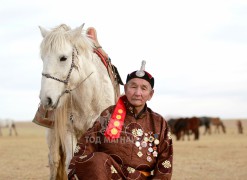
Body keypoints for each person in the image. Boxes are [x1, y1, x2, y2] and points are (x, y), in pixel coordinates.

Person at [68, 61, 173, 180]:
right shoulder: (109, 114)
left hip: (141, 178)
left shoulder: (159, 123)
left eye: (144, 88)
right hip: (108, 175)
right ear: (126, 88)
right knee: (97, 161)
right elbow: (87, 144)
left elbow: (165, 163)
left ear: (150, 94)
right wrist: (75, 170)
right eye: (133, 87)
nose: (138, 93)